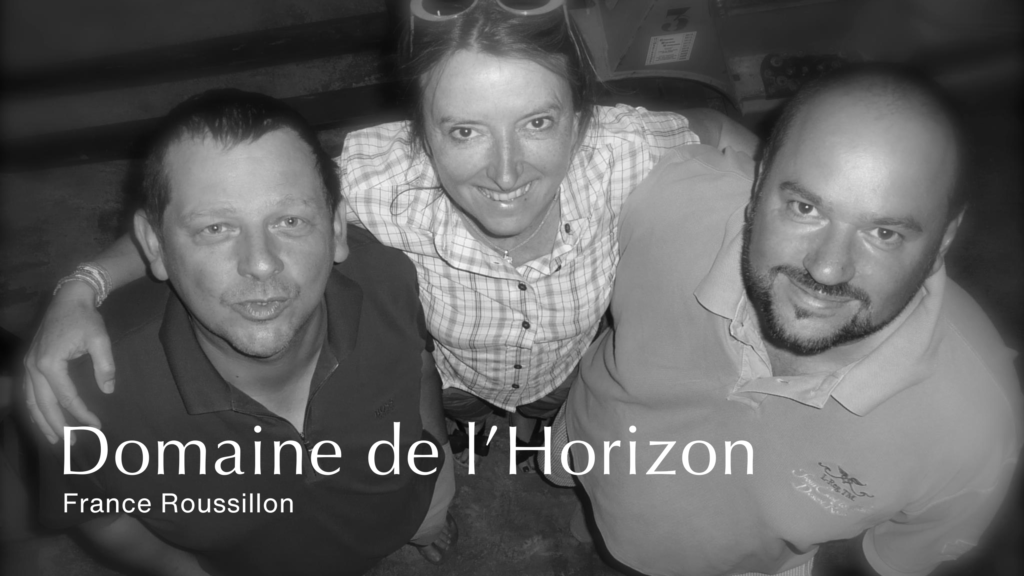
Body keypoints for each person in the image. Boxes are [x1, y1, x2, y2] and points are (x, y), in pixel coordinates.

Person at [22, 0, 757, 462]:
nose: (506, 171)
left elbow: (722, 132)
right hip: (455, 378)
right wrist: (79, 289)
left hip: (569, 374)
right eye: (464, 130)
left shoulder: (623, 149)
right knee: (457, 424)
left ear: (581, 118)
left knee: (557, 422)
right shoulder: (380, 182)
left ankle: (542, 435)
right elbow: (220, 211)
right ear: (420, 131)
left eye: (538, 122)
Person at [558, 64, 1022, 576]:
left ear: (944, 239)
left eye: (884, 234)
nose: (827, 269)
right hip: (590, 450)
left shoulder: (973, 432)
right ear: (757, 185)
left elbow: (896, 557)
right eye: (804, 208)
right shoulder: (669, 202)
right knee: (591, 522)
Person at [32, 90, 456, 576]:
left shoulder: (386, 279)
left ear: (338, 229)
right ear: (154, 245)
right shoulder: (81, 391)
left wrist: (436, 476)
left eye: (290, 220)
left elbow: (419, 369)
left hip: (399, 506)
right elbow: (97, 515)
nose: (260, 263)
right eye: (216, 228)